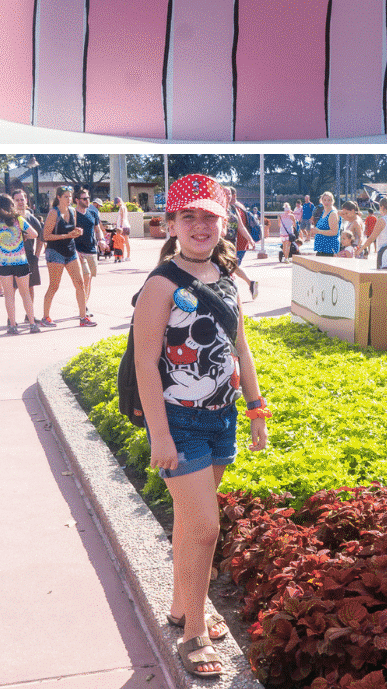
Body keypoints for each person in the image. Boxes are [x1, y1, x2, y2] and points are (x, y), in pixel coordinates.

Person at [128, 174, 266, 680]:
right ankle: (192, 634)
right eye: (189, 217)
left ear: (224, 222)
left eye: (209, 216)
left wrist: (255, 408)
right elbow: (146, 364)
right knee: (206, 527)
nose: (200, 226)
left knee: (191, 525)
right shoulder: (161, 284)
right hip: (179, 423)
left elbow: (240, 349)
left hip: (222, 419)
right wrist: (160, 435)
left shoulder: (226, 277)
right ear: (171, 224)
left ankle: (182, 605)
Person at [39, 187, 94, 328]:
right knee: (54, 285)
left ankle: (83, 318)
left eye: (70, 197)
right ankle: (45, 317)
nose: (69, 199)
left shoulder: (72, 211)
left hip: (70, 251)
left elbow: (71, 231)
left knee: (80, 284)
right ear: (58, 197)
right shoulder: (53, 213)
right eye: (65, 197)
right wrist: (67, 235)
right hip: (55, 252)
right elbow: (46, 236)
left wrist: (77, 232)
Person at [0, 193, 39, 333]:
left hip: (3, 263)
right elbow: (35, 234)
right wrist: (23, 236)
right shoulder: (17, 219)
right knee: (25, 293)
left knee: (9, 295)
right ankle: (32, 324)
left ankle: (13, 325)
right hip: (20, 260)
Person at [73, 189, 104, 285]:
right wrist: (75, 251)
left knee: (89, 279)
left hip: (92, 251)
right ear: (77, 200)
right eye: (85, 199)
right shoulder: (72, 214)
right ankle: (83, 300)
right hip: (79, 252)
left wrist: (101, 240)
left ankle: (85, 300)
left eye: (88, 198)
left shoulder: (93, 213)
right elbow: (69, 234)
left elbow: (98, 229)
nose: (88, 201)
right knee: (86, 276)